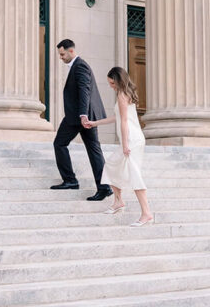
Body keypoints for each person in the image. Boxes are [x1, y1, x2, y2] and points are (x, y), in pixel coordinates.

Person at [82, 66, 153, 226]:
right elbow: (117, 117)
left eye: (112, 83)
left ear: (118, 81)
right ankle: (118, 201)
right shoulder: (125, 94)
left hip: (132, 140)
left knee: (134, 175)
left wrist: (125, 144)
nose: (110, 86)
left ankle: (146, 213)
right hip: (133, 139)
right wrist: (95, 123)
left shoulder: (122, 95)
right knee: (111, 166)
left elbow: (125, 122)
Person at [50, 39, 113, 201]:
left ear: (71, 51)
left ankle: (70, 180)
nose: (61, 57)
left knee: (59, 143)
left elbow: (84, 90)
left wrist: (83, 115)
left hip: (80, 116)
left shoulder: (80, 66)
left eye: (62, 54)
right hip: (83, 115)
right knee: (93, 149)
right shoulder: (78, 66)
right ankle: (104, 186)